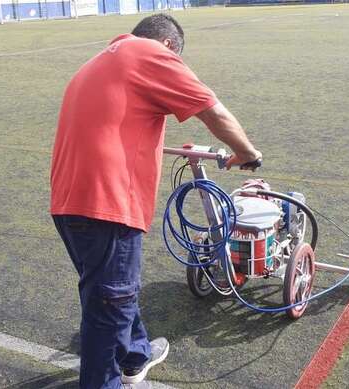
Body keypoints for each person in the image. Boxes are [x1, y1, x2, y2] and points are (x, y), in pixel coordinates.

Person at [50, 13, 262, 389]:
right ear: (168, 45)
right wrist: (247, 152)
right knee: (109, 309)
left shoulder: (100, 62)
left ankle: (136, 356)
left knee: (110, 290)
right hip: (106, 203)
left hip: (68, 202)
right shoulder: (150, 53)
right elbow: (211, 109)